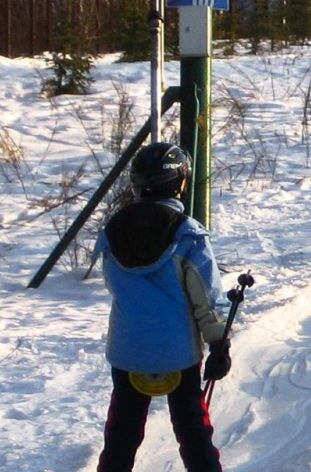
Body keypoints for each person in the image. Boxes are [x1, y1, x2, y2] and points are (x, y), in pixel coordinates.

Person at [96, 142, 229, 472]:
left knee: (121, 437)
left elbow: (115, 286)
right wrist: (219, 344)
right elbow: (207, 298)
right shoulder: (186, 235)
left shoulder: (113, 232)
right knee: (194, 433)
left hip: (128, 353)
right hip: (178, 354)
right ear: (179, 183)